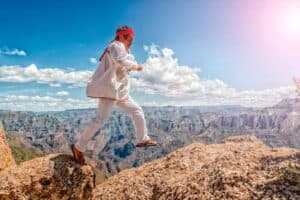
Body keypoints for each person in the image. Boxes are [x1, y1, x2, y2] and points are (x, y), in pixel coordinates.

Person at [71, 25, 157, 165]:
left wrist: (132, 63)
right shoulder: (116, 46)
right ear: (123, 36)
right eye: (130, 38)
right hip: (109, 91)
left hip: (120, 92)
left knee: (137, 111)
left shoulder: (124, 49)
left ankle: (142, 139)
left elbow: (125, 61)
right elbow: (121, 60)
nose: (132, 40)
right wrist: (137, 66)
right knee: (99, 120)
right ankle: (78, 147)